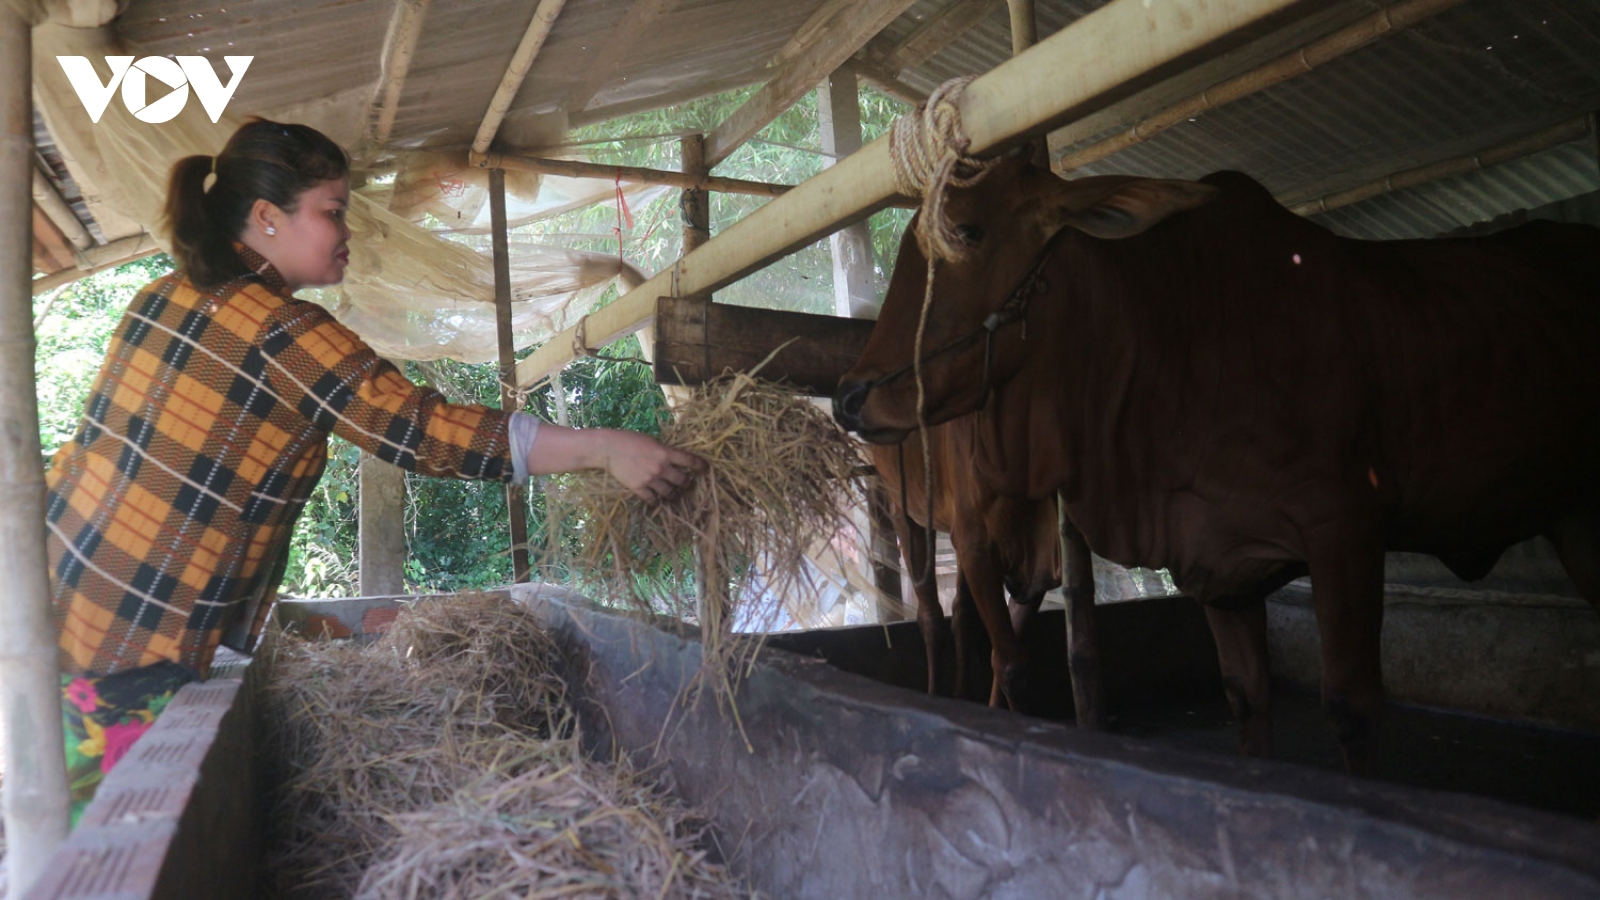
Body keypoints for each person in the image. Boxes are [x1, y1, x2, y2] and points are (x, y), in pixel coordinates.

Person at [46, 119, 700, 825]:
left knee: (48, 817)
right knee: (111, 837)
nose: (347, 232)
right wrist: (603, 447)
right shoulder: (279, 330)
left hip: (51, 601)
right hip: (135, 646)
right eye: (331, 212)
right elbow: (422, 431)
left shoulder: (160, 298)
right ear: (266, 218)